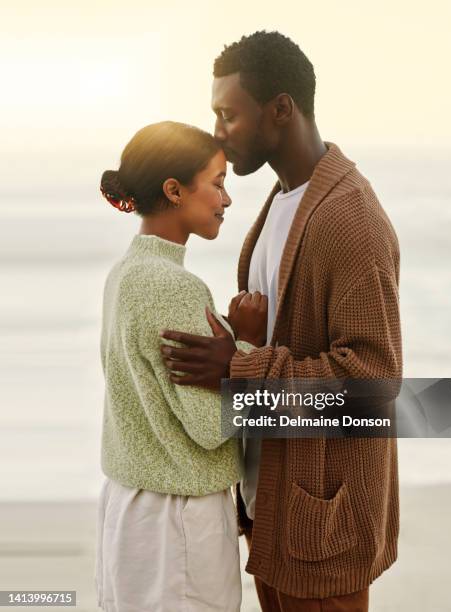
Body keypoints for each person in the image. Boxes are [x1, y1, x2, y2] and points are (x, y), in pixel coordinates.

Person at [160, 32, 402, 611]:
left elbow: (370, 388)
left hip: (322, 527)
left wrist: (240, 366)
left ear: (281, 110)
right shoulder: (279, 201)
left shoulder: (352, 222)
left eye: (228, 115)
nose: (217, 132)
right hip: (272, 510)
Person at [95, 121, 268, 612]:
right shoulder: (172, 286)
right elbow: (210, 427)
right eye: (217, 182)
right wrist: (248, 347)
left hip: (131, 510)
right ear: (174, 190)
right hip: (178, 522)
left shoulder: (125, 273)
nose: (226, 199)